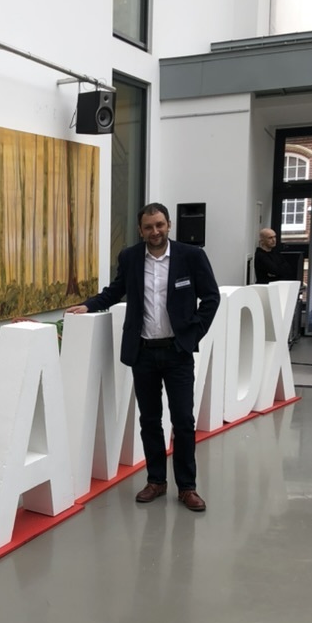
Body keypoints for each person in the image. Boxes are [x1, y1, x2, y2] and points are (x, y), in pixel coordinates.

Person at [66, 202, 221, 512]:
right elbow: (116, 290)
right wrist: (90, 305)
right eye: (149, 227)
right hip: (144, 354)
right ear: (141, 230)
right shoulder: (130, 257)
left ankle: (187, 487)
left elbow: (211, 297)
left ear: (169, 225)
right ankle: (156, 481)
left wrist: (192, 335)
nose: (155, 231)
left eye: (160, 225)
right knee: (149, 420)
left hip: (177, 354)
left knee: (184, 421)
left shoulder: (191, 257)